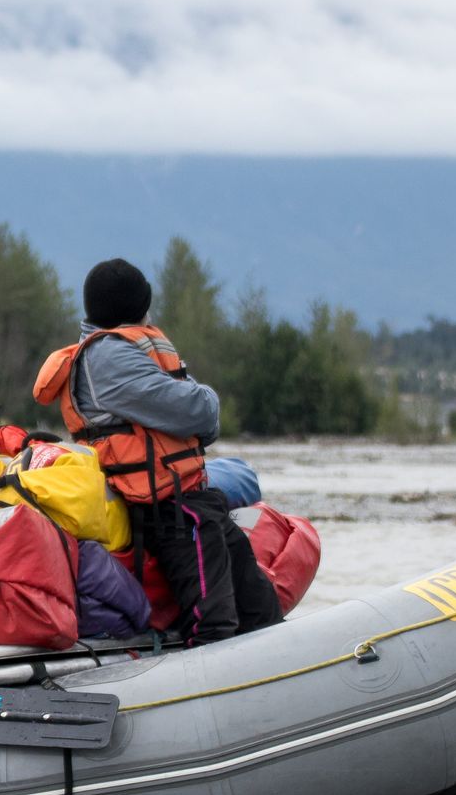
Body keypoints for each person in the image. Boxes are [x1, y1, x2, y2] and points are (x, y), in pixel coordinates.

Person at [33, 259, 281, 645]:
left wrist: (202, 408)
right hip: (169, 510)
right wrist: (208, 401)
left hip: (192, 499)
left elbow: (199, 419)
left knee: (260, 608)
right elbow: (197, 411)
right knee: (211, 623)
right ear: (138, 303)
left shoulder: (130, 347)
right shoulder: (109, 356)